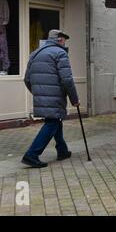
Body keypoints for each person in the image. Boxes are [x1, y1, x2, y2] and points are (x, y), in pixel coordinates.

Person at [22, 29, 80, 168]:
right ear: (59, 39)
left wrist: (38, 93)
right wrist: (75, 99)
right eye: (64, 39)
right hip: (55, 95)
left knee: (55, 120)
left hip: (42, 95)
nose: (65, 42)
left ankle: (62, 150)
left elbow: (26, 79)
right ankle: (32, 154)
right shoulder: (60, 53)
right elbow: (67, 80)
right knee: (52, 123)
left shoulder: (35, 53)